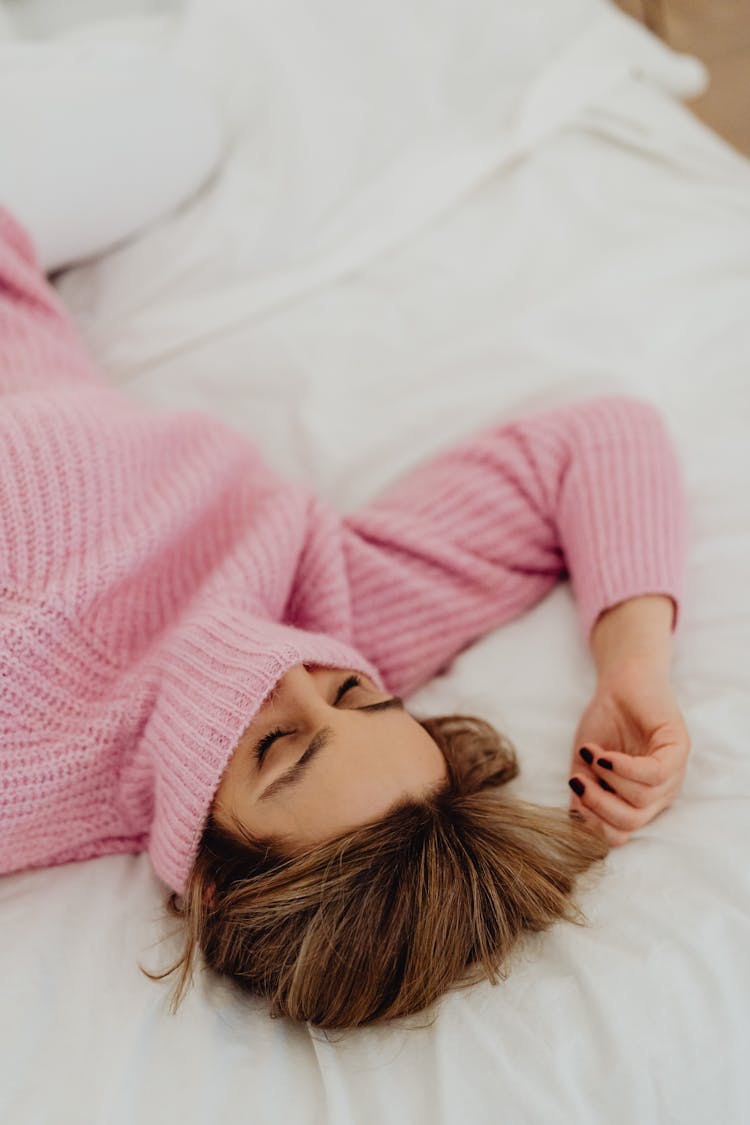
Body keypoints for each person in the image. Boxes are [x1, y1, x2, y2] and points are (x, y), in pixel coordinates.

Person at [0, 59, 690, 1030]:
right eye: (360, 694)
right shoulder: (331, 613)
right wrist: (635, 665)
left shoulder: (25, 773)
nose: (291, 678)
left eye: (278, 748)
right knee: (185, 114)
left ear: (206, 878)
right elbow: (595, 442)